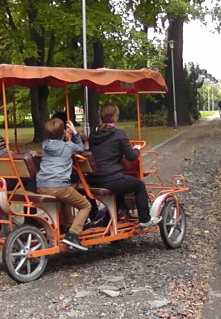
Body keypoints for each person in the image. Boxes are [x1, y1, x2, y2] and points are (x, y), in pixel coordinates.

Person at [86, 103, 160, 229]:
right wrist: (136, 148)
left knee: (120, 189)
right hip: (110, 179)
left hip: (92, 179)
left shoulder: (93, 134)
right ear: (116, 117)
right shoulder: (119, 134)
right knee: (139, 185)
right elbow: (131, 156)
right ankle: (145, 219)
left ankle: (109, 219)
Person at [37, 118, 90, 250]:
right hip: (59, 186)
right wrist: (74, 133)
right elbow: (80, 149)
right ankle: (72, 235)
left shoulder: (44, 145)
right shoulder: (68, 146)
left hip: (41, 186)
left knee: (66, 198)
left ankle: (68, 225)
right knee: (85, 205)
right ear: (63, 133)